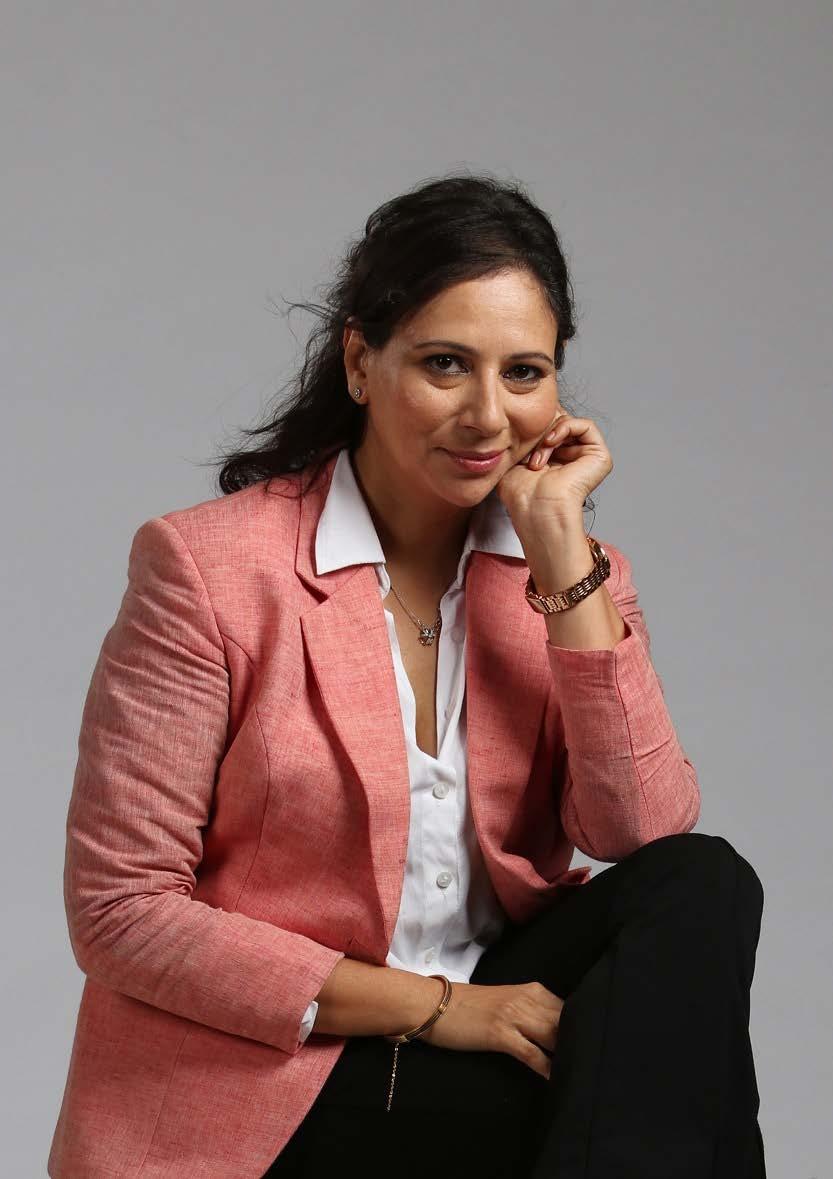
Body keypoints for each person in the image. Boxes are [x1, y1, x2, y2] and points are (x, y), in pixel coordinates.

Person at [48, 172, 766, 1178]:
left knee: (701, 883)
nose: (486, 415)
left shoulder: (567, 578)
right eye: (443, 364)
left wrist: (559, 551)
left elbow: (638, 831)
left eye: (523, 373)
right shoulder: (209, 572)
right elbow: (120, 915)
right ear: (358, 360)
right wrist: (439, 1010)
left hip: (488, 1056)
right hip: (283, 1084)